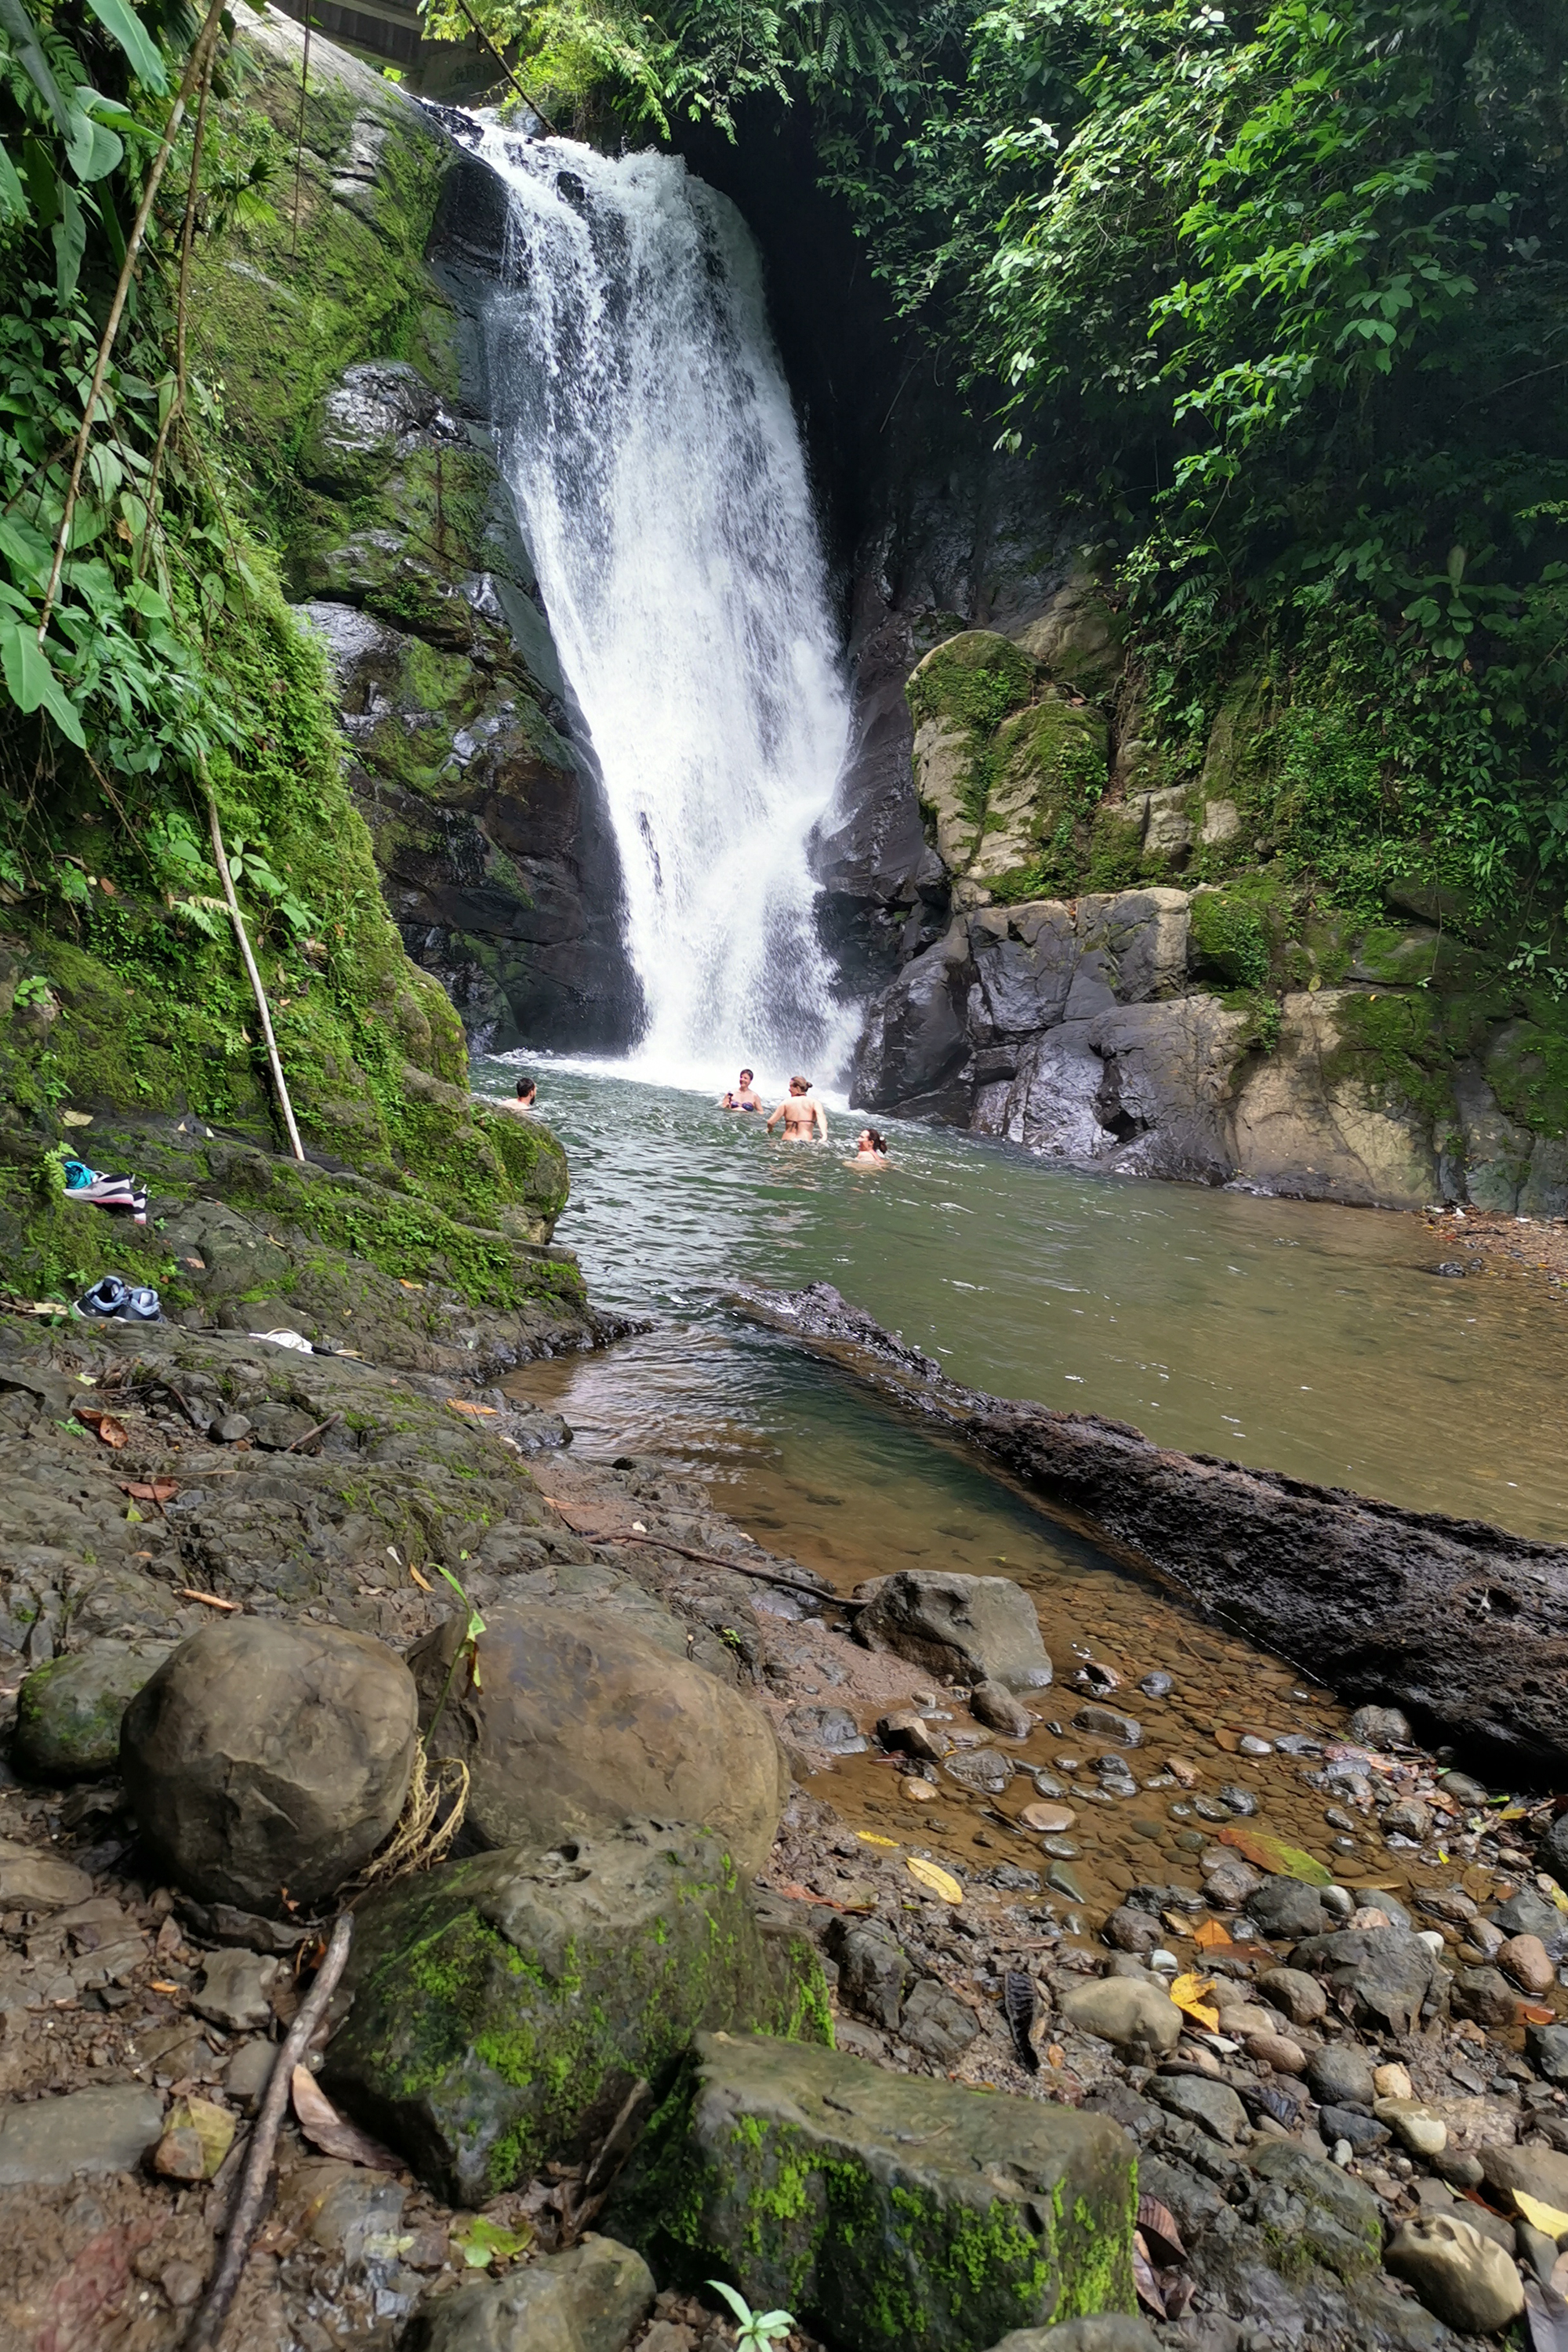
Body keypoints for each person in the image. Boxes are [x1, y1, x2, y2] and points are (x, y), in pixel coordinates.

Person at [767, 1074, 828, 1143]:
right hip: (805, 1141)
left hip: (787, 1141)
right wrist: (824, 1136)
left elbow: (770, 1122)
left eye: (791, 1086)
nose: (789, 1089)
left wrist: (770, 1130)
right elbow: (821, 1118)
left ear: (797, 1088)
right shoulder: (814, 1102)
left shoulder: (786, 1102)